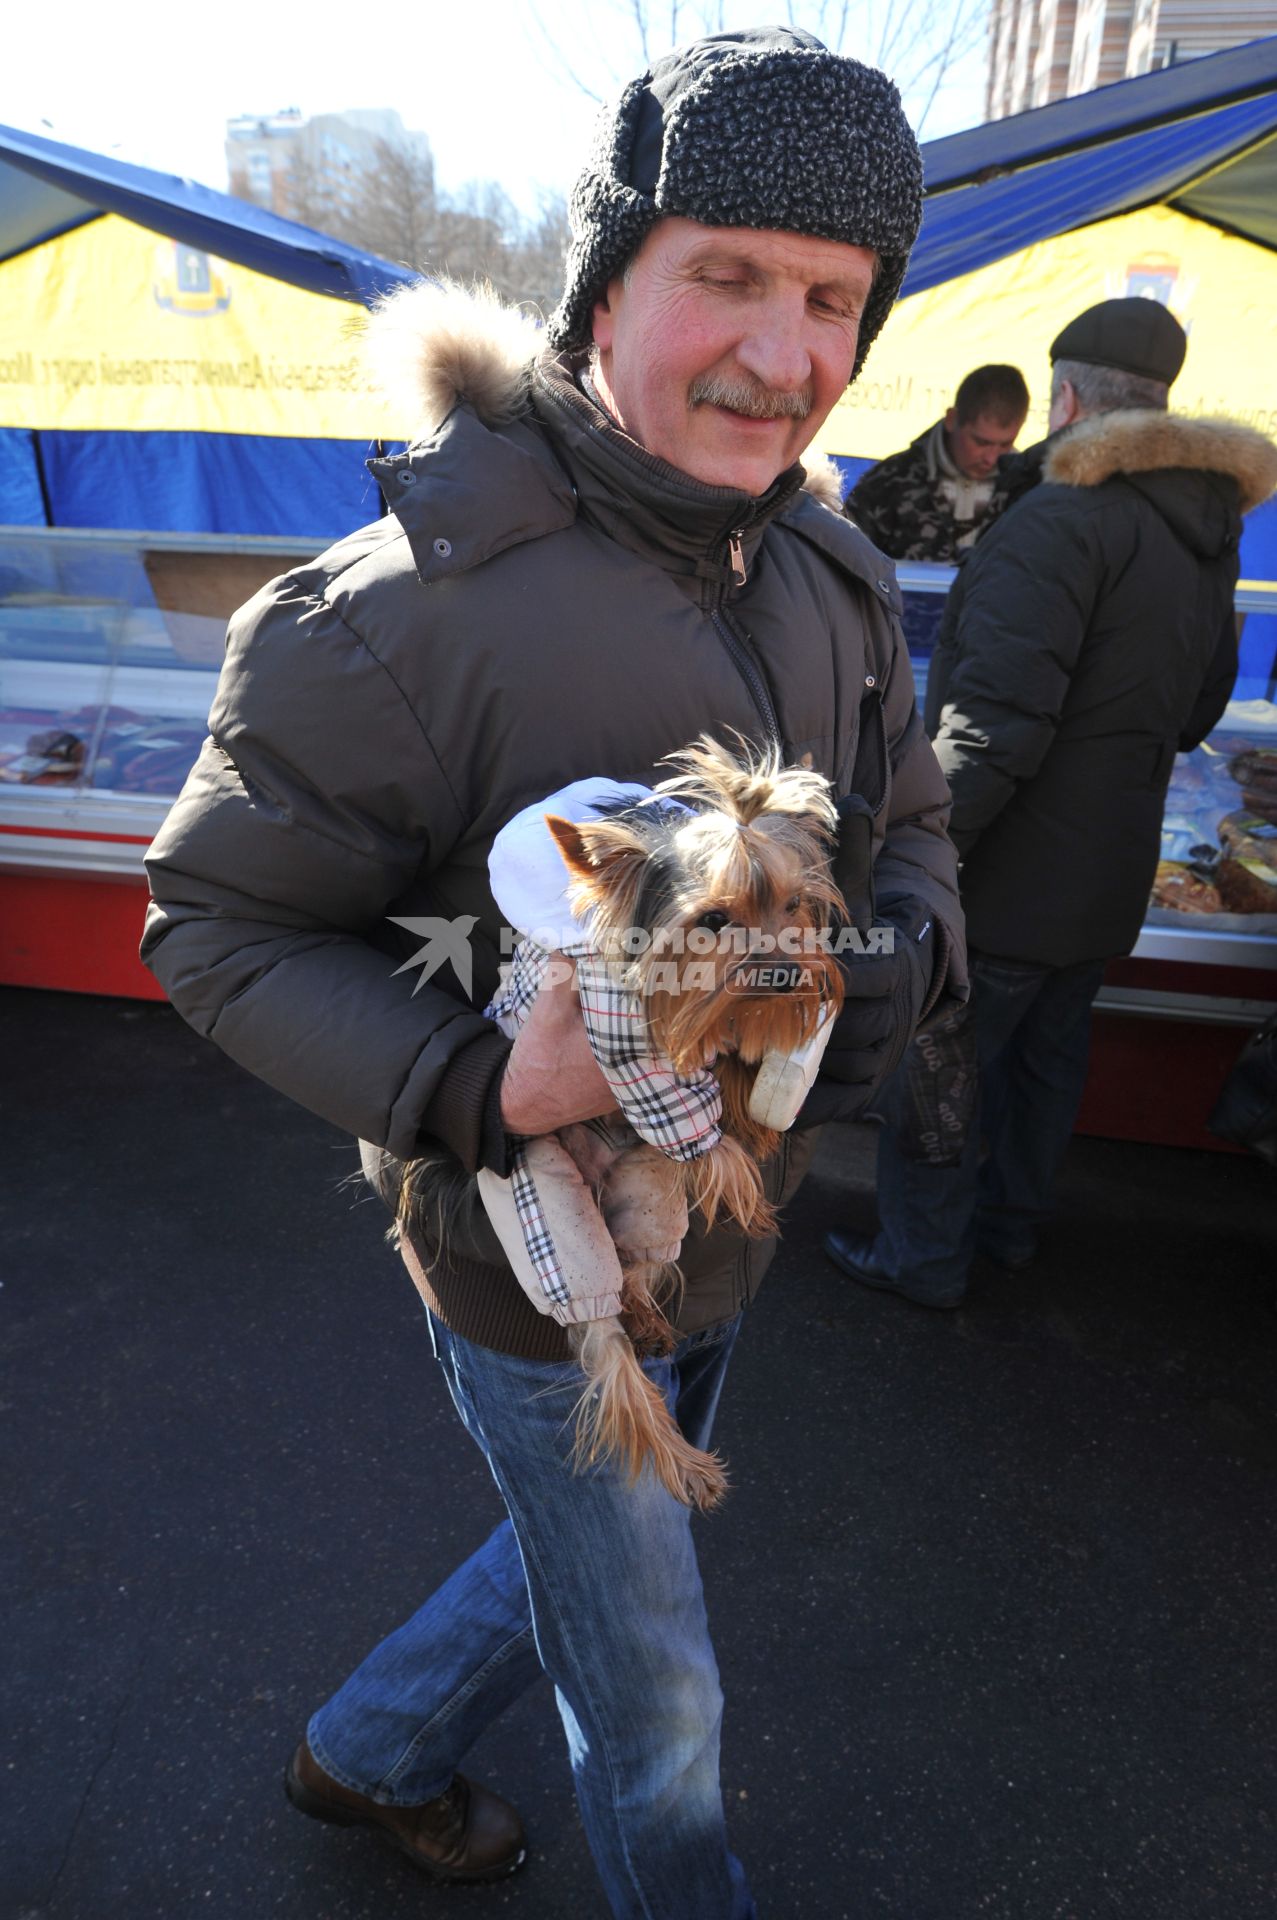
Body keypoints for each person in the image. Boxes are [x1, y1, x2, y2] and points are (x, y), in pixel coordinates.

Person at [141, 27, 967, 1919]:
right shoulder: (383, 614)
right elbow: (215, 928)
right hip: (529, 1260)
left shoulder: (832, 570)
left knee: (591, 1558)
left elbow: (907, 816)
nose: (782, 352)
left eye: (833, 298)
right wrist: (474, 1086)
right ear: (610, 286)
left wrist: (870, 977)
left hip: (736, 1191)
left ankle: (371, 1751)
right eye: (728, 276)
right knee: (658, 1687)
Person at [826, 296, 1277, 1309]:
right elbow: (1198, 706)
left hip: (1008, 876)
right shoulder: (1204, 526)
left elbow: (990, 731)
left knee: (942, 1063)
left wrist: (921, 856)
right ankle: (1009, 1230)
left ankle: (922, 1257)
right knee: (1043, 1065)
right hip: (1106, 871)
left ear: (1064, 397)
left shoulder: (1060, 519)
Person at [845, 363, 1030, 560]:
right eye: (981, 442)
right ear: (952, 419)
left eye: (1005, 444)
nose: (991, 458)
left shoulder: (1026, 490)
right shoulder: (887, 483)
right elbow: (846, 562)